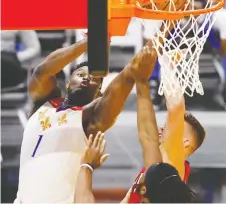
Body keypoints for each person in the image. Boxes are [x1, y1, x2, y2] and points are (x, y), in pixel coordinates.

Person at [14, 37, 156, 203]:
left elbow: (128, 74)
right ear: (68, 84)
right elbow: (40, 72)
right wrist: (88, 43)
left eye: (94, 79)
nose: (87, 78)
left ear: (98, 93)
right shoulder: (42, 104)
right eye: (80, 74)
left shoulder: (91, 120)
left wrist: (158, 37)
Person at [74, 48, 194, 203]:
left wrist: (87, 166)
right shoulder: (163, 189)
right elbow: (148, 140)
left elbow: (174, 110)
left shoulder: (167, 173)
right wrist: (142, 81)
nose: (163, 128)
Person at [128, 49, 206, 202]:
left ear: (184, 142)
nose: (163, 128)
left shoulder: (173, 164)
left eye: (171, 127)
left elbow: (176, 106)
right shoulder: (158, 168)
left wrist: (166, 63)